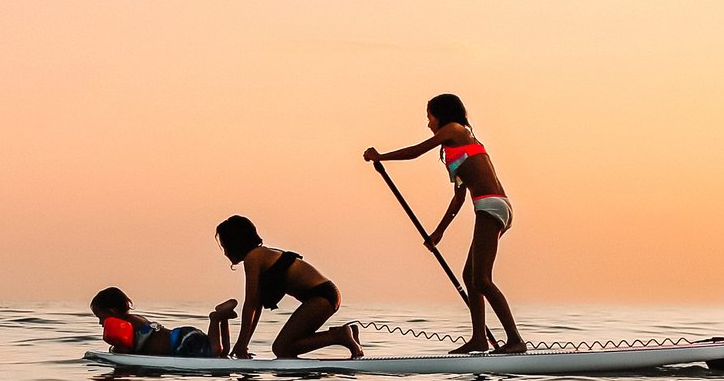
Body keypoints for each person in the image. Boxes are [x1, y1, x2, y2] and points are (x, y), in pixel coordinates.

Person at [365, 92, 524, 354]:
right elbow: (459, 198)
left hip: (491, 205)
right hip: (493, 206)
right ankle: (479, 339)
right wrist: (438, 232)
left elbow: (415, 152)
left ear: (442, 116)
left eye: (429, 117)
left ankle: (515, 340)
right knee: (470, 277)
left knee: (482, 279)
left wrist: (380, 156)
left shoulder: (455, 130)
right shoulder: (454, 148)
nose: (428, 124)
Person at [215, 216, 362, 360]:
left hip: (322, 296)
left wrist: (241, 344)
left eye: (225, 246)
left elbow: (250, 304)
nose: (225, 252)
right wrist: (243, 344)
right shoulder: (260, 255)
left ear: (235, 243)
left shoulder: (253, 258)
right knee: (284, 348)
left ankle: (339, 336)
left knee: (281, 348)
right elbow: (256, 306)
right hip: (325, 295)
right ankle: (344, 335)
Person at [89, 288, 236, 358]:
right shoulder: (136, 318)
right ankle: (223, 318)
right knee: (222, 353)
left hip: (180, 343)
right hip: (182, 336)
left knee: (215, 351)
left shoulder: (125, 325)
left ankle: (215, 318)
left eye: (101, 317)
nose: (101, 323)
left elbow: (123, 352)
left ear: (112, 311)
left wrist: (112, 352)